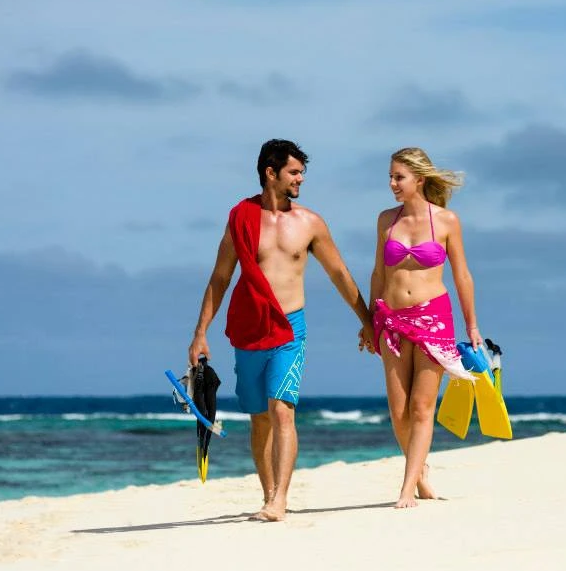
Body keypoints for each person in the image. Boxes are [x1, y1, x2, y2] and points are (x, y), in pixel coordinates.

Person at [188, 138, 375, 522]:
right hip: (249, 328)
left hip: (290, 328)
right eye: (294, 172)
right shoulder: (240, 218)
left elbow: (338, 273)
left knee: (282, 411)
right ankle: (268, 492)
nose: (300, 179)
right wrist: (200, 332)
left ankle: (280, 501)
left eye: (302, 172)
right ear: (270, 173)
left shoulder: (309, 223)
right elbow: (221, 276)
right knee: (259, 417)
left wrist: (367, 320)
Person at [368, 147, 483, 508]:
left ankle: (407, 488)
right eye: (390, 176)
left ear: (419, 179)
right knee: (398, 411)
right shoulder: (386, 220)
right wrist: (369, 319)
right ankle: (421, 471)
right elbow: (377, 272)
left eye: (398, 177)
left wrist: (472, 325)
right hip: (392, 320)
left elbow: (462, 274)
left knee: (421, 407)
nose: (392, 184)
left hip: (433, 318)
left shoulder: (446, 220)